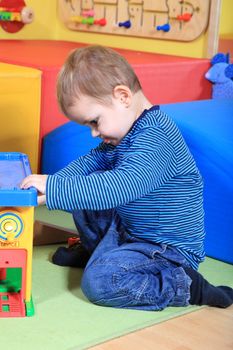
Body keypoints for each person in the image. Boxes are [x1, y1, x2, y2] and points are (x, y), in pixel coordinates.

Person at [21, 45, 233, 311]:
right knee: (87, 187)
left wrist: (55, 188)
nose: (94, 134)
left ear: (122, 96)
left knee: (101, 283)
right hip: (131, 230)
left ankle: (186, 286)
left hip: (166, 251)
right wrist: (51, 182)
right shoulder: (125, 133)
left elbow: (120, 187)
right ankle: (97, 251)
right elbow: (90, 163)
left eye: (95, 122)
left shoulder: (156, 138)